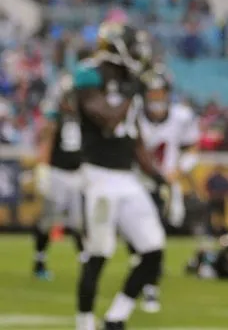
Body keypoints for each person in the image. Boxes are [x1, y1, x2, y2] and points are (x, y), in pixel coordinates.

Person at [72, 22, 170, 330]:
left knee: (153, 251)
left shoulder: (129, 80)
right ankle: (84, 323)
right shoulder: (89, 74)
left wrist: (158, 177)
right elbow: (107, 120)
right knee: (99, 254)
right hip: (98, 177)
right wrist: (131, 91)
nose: (140, 52)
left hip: (127, 178)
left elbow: (132, 135)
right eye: (134, 45)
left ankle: (116, 317)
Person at [128, 65, 196, 313]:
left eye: (160, 94)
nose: (156, 99)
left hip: (165, 184)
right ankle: (145, 276)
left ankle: (149, 282)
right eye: (152, 94)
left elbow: (191, 148)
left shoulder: (181, 117)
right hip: (136, 181)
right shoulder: (132, 114)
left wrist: (178, 170)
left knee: (156, 234)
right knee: (138, 235)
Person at [32, 71, 85, 280]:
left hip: (78, 174)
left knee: (79, 222)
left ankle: (85, 261)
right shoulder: (56, 118)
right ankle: (39, 260)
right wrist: (43, 169)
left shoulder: (85, 117)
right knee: (48, 221)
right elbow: (47, 142)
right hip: (58, 173)